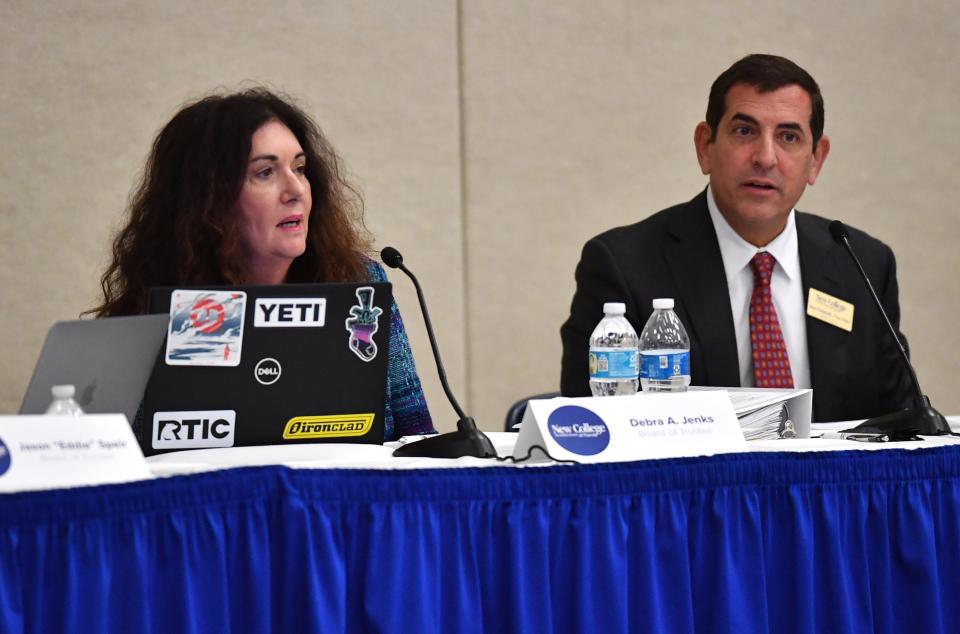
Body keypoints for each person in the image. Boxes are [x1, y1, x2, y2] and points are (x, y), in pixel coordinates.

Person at [560, 54, 914, 422]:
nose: (765, 158)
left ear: (816, 160)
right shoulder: (624, 266)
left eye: (788, 137)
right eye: (744, 131)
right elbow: (589, 427)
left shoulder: (863, 264)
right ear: (705, 146)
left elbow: (900, 419)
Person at [92, 88, 434, 441]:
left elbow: (416, 437)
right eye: (265, 173)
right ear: (208, 200)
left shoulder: (358, 282)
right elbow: (125, 461)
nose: (296, 189)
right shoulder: (159, 310)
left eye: (300, 169)